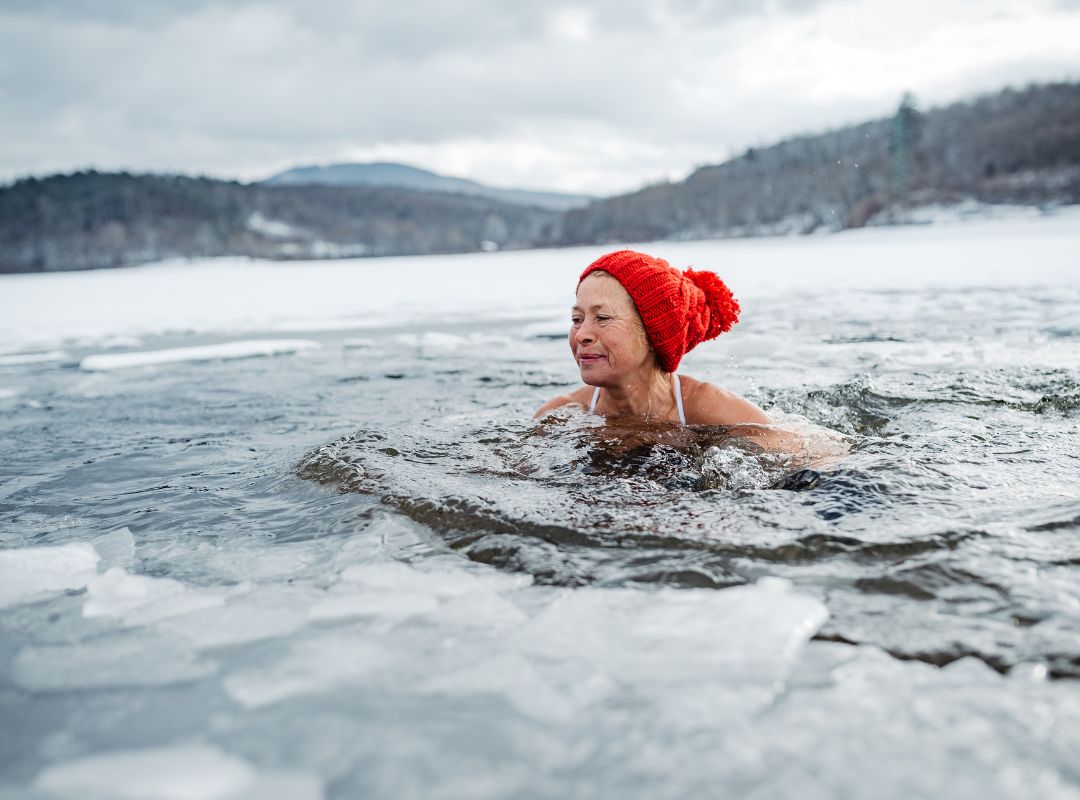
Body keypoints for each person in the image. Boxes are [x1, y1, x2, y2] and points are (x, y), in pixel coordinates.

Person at [535, 249, 794, 451]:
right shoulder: (560, 416)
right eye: (576, 320)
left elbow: (818, 457)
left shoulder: (708, 409)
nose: (581, 335)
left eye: (602, 318)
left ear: (652, 333)